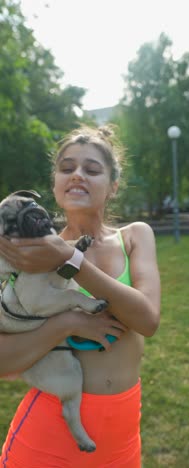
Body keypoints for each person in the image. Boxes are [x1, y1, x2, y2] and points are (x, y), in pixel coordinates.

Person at [0, 125, 160, 467]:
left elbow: (147, 320)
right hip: (49, 433)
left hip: (122, 433)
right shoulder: (27, 253)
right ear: (55, 184)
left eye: (92, 169)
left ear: (113, 186)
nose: (77, 175)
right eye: (66, 167)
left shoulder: (134, 237)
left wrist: (69, 259)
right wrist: (68, 322)